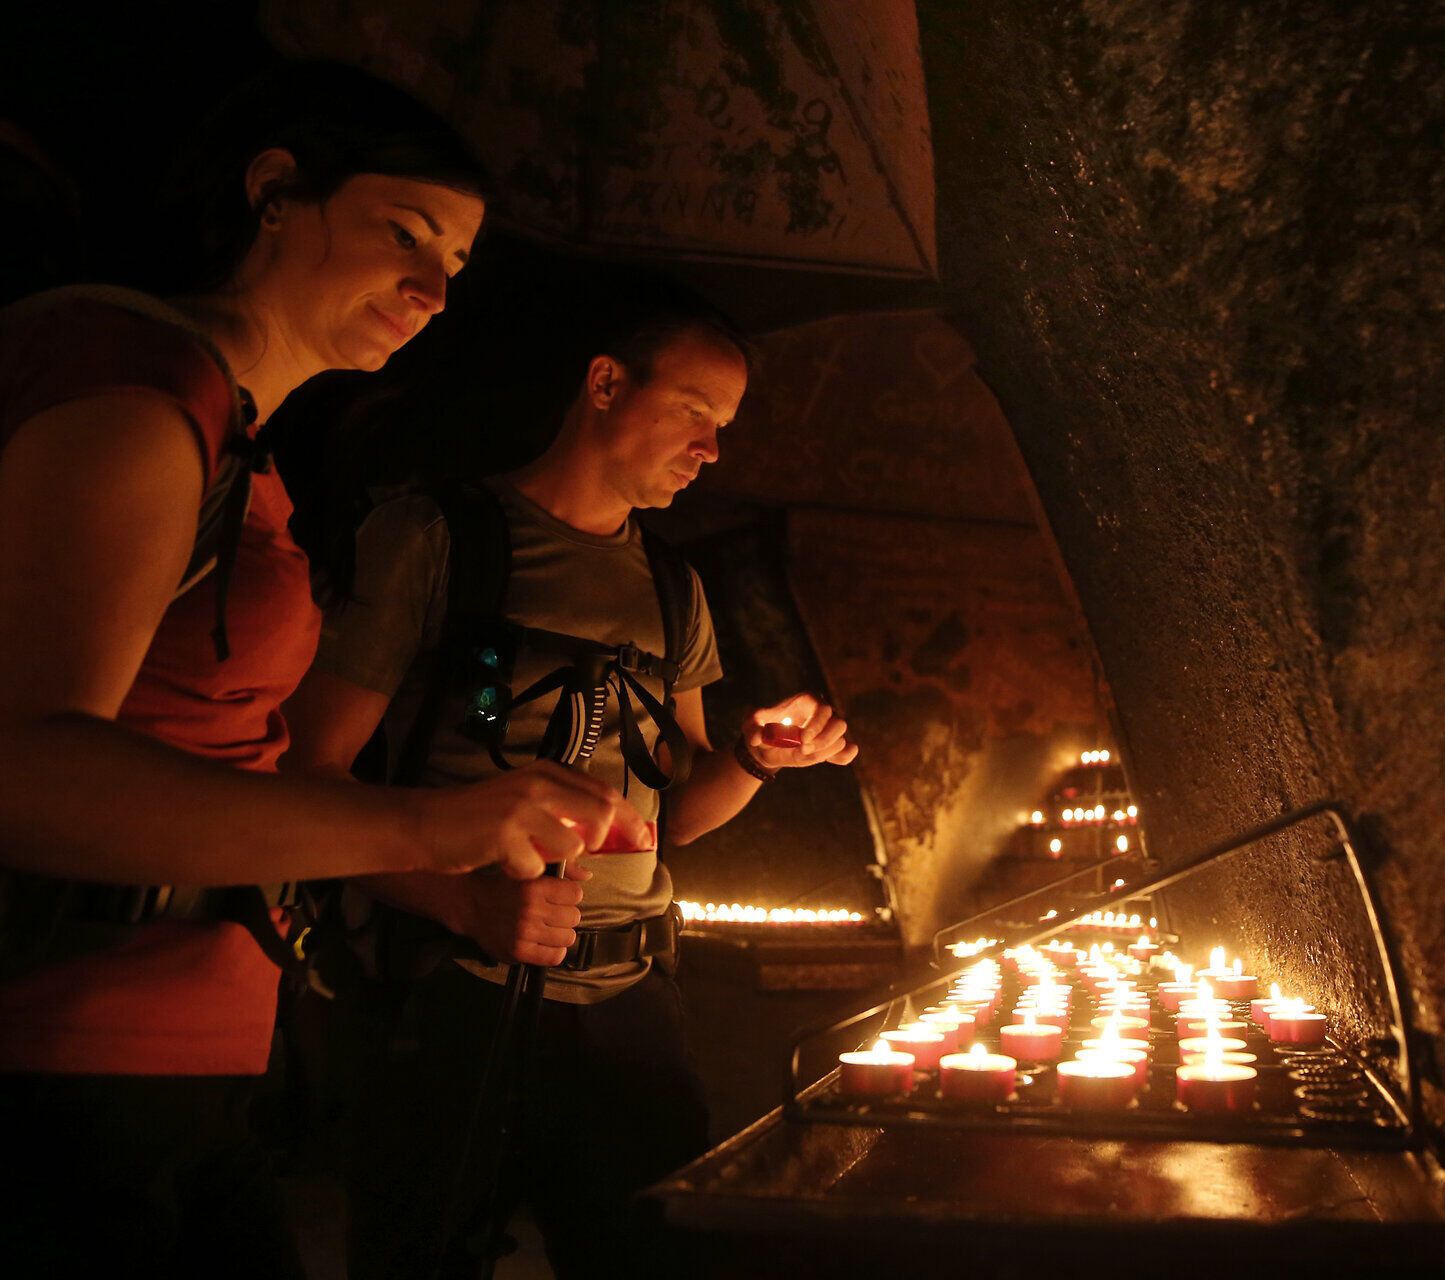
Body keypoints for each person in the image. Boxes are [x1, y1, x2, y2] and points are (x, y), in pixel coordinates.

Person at [0, 64, 642, 1276]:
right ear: (275, 193)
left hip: (184, 1059)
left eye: (455, 263)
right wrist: (422, 826)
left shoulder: (232, 427)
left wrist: (448, 864)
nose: (434, 289)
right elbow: (24, 762)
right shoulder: (133, 394)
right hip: (64, 1065)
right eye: (407, 233)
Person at [282, 289, 859, 1278]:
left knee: (650, 1253)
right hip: (449, 990)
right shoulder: (438, 538)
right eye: (694, 410)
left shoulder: (675, 589)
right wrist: (462, 900)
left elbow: (671, 813)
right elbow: (305, 779)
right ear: (604, 383)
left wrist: (759, 757)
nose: (711, 449)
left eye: (723, 428)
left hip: (631, 1000)